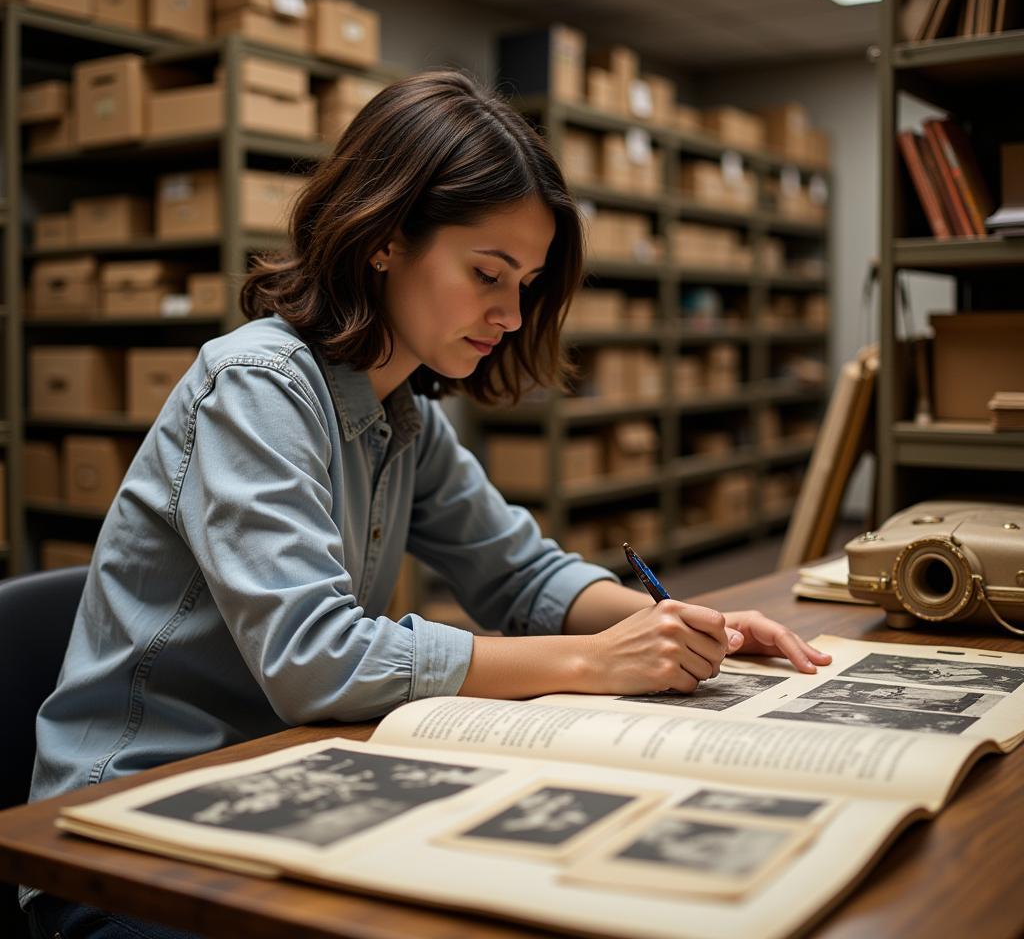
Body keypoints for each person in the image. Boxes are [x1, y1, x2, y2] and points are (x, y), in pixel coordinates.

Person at [24, 70, 830, 938]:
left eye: (525, 282)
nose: (512, 314)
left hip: (279, 784)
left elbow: (522, 574)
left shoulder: (401, 411)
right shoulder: (255, 386)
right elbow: (316, 659)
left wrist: (673, 623)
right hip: (125, 833)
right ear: (383, 238)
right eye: (488, 272)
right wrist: (597, 662)